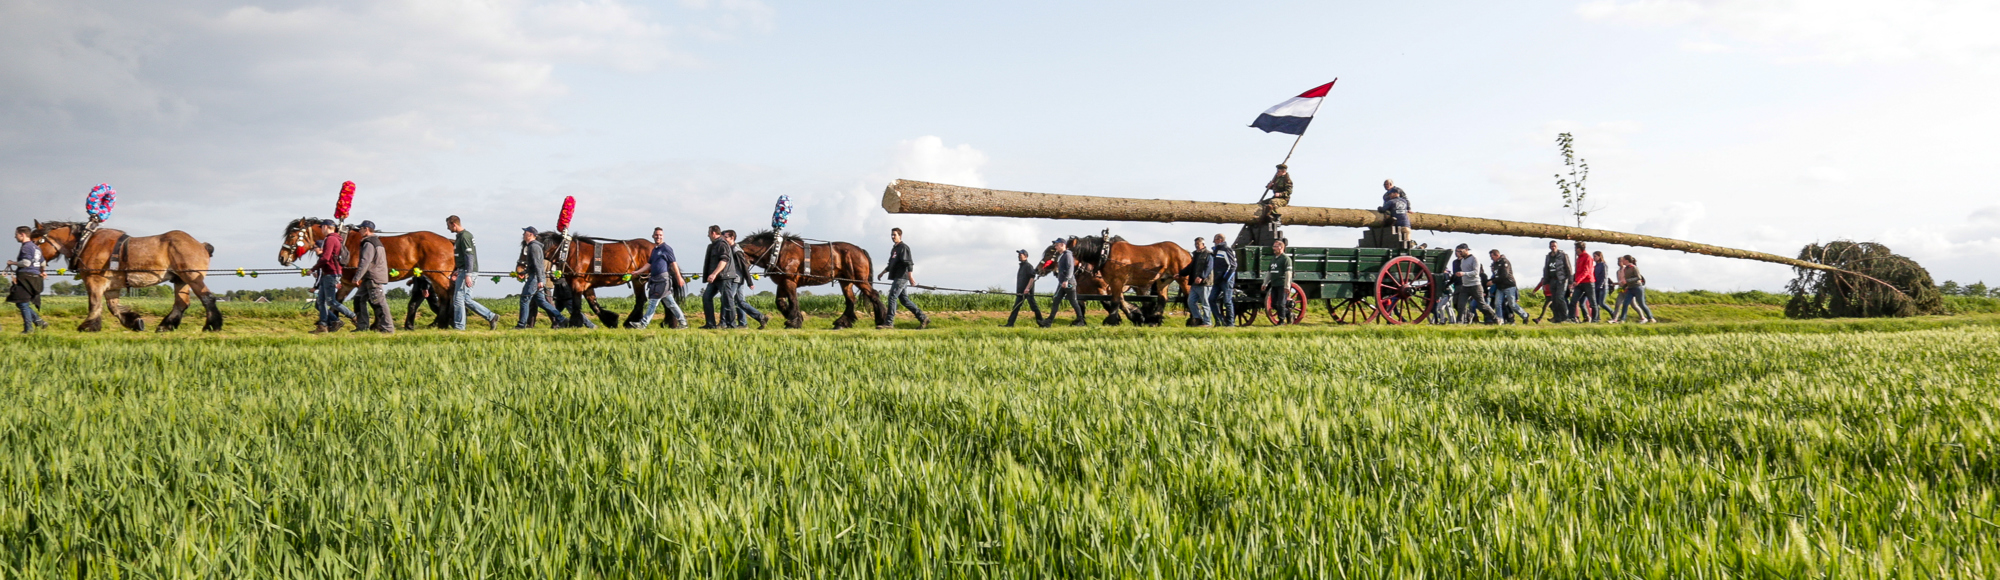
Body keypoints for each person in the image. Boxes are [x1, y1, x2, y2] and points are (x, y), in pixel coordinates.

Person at [446, 215, 499, 330]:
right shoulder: (462, 236)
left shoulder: (465, 236)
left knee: (458, 299)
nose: (448, 228)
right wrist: (457, 270)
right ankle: (491, 316)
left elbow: (469, 256)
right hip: (463, 270)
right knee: (465, 299)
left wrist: (468, 275)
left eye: (448, 225)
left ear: (453, 224)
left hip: (467, 271)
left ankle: (459, 327)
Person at [631, 227, 687, 329]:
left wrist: (679, 277)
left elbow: (673, 263)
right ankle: (683, 323)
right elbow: (649, 264)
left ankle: (643, 324)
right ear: (653, 236)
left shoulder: (666, 248)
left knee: (653, 302)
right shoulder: (655, 250)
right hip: (655, 279)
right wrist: (638, 271)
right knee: (671, 303)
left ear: (663, 236)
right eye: (656, 235)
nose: (658, 237)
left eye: (660, 235)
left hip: (662, 280)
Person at [514, 226, 568, 329]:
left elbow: (538, 265)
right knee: (541, 301)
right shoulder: (533, 246)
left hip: (534, 278)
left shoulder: (533, 247)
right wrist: (524, 272)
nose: (523, 235)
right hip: (535, 277)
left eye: (525, 233)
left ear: (530, 234)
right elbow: (533, 265)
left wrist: (539, 280)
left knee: (524, 299)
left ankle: (521, 325)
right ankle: (561, 319)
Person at [877, 227, 929, 329]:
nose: (892, 237)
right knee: (904, 300)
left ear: (900, 236)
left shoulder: (903, 247)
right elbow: (891, 264)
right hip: (897, 276)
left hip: (902, 277)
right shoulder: (894, 249)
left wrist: (910, 277)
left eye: (894, 235)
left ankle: (889, 323)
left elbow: (909, 262)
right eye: (891, 235)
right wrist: (882, 273)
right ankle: (923, 318)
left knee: (892, 297)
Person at [310, 219, 356, 334]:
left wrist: (313, 269)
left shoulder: (331, 239)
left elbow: (325, 258)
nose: (321, 230)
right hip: (329, 273)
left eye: (322, 227)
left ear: (326, 227)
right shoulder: (335, 239)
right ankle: (323, 326)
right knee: (320, 302)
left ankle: (354, 317)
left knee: (331, 302)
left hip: (331, 273)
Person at [348, 221, 394, 333]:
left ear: (367, 229)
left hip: (373, 276)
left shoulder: (369, 243)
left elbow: (365, 261)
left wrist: (357, 277)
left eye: (361, 229)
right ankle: (362, 326)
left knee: (379, 302)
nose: (359, 231)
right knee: (358, 299)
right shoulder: (375, 241)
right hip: (370, 276)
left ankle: (387, 328)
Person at [7, 226, 48, 334]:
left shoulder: (26, 247)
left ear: (22, 234)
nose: (15, 236)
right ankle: (39, 322)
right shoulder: (36, 248)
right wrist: (42, 271)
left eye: (16, 234)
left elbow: (26, 263)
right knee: (21, 302)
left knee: (22, 303)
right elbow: (43, 263)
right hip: (35, 278)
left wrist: (12, 263)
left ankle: (29, 329)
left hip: (26, 278)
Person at [726, 230, 768, 329]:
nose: (724, 239)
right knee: (740, 301)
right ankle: (754, 319)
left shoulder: (736, 250)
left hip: (736, 278)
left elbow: (744, 267)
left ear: (732, 238)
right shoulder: (732, 249)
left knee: (729, 299)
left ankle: (730, 323)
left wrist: (750, 282)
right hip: (737, 278)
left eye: (726, 237)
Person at [699, 225, 738, 329]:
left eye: (709, 233)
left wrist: (713, 274)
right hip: (716, 278)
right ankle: (710, 324)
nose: (708, 235)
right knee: (706, 297)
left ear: (713, 233)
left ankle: (732, 325)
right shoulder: (714, 245)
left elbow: (724, 260)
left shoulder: (722, 244)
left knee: (727, 300)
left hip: (724, 277)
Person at [1448, 244, 1498, 324]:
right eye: (1457, 251)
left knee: (1482, 306)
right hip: (1465, 286)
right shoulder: (1463, 260)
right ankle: (1459, 323)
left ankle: (1496, 319)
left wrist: (1463, 274)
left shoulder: (1474, 259)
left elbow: (1475, 272)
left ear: (1467, 250)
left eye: (1461, 251)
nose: (1459, 253)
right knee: (1461, 305)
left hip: (1475, 285)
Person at [1044, 238, 1087, 327]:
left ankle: (1081, 320)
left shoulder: (1067, 255)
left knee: (1073, 302)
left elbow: (1070, 268)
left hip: (1068, 283)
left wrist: (1066, 280)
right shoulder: (1063, 255)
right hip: (1062, 283)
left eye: (1057, 245)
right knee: (1056, 301)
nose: (1055, 247)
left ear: (1062, 245)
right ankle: (1048, 322)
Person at [1003, 249, 1043, 327]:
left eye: (1020, 255)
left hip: (1027, 292)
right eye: (1019, 255)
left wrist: (1027, 288)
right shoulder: (1022, 266)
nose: (1019, 256)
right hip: (1020, 292)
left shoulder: (1028, 266)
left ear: (1026, 256)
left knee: (1034, 308)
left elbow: (1032, 278)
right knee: (1016, 308)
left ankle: (1042, 323)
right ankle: (1010, 324)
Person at [1488, 249, 1530, 324]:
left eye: (1492, 257)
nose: (1492, 259)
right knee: (1497, 304)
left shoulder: (1505, 262)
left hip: (1509, 285)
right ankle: (1500, 320)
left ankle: (1525, 315)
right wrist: (1489, 280)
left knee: (1512, 304)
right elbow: (1496, 276)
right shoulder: (1495, 264)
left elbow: (1504, 275)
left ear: (1497, 255)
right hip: (1500, 287)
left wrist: (1493, 281)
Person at [1613, 255, 1656, 323]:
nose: (1621, 261)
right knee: (1625, 303)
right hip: (1629, 288)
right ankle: (1622, 319)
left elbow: (1638, 277)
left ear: (1626, 260)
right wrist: (1623, 286)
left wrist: (1627, 281)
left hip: (1637, 287)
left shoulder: (1634, 267)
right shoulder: (1624, 269)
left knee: (1641, 304)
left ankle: (1650, 318)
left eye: (1623, 260)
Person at [1537, 240, 1572, 323]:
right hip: (1552, 280)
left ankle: (1565, 317)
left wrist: (1570, 281)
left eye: (1555, 246)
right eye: (1552, 246)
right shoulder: (1548, 256)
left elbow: (1569, 268)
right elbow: (1546, 268)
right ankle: (1557, 317)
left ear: (1557, 246)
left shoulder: (1563, 255)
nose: (1553, 247)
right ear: (1550, 247)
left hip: (1561, 280)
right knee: (1554, 299)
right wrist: (1545, 281)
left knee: (1560, 298)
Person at [1210, 234, 1237, 326]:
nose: (1214, 241)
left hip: (1225, 280)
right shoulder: (1215, 251)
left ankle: (1230, 323)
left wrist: (1226, 278)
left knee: (1227, 301)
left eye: (1215, 240)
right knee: (1211, 299)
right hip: (1217, 280)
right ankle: (1219, 320)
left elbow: (1232, 265)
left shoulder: (1226, 250)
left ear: (1220, 240)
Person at [1186, 237, 1214, 327]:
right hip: (1194, 284)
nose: (1196, 246)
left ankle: (1207, 322)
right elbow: (1190, 267)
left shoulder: (1208, 254)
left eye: (1198, 244)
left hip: (1205, 283)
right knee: (1191, 301)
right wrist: (1180, 274)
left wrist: (1202, 277)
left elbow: (1209, 267)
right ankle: (1198, 319)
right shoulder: (1195, 255)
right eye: (1195, 244)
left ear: (1203, 244)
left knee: (1205, 303)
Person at [1265, 238, 1294, 323]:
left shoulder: (1286, 259)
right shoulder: (1274, 259)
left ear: (1281, 247)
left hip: (1282, 284)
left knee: (1281, 303)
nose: (1273, 248)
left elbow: (1288, 273)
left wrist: (1287, 286)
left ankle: (1281, 321)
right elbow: (1269, 272)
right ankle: (1288, 313)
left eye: (1275, 246)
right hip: (1274, 284)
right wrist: (1265, 283)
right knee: (1274, 304)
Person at [1570, 241, 1598, 323]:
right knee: (1573, 301)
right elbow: (1578, 271)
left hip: (1588, 282)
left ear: (1579, 249)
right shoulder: (1579, 258)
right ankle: (1572, 318)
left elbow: (1586, 271)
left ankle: (1595, 319)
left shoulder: (1587, 257)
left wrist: (1577, 281)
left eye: (1576, 248)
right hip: (1580, 282)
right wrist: (1575, 280)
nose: (1575, 250)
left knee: (1592, 302)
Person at [1378, 181, 1412, 248]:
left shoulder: (1391, 202)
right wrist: (1408, 209)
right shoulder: (1404, 201)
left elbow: (1383, 209)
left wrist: (1379, 208)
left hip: (1397, 227)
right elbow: (1407, 202)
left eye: (1391, 194)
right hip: (1407, 226)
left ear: (1395, 194)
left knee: (1398, 246)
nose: (1390, 195)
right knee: (1407, 246)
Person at [1591, 250, 1613, 322]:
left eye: (1595, 256)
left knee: (1602, 303)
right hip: (1596, 286)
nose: (1594, 258)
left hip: (1603, 287)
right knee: (1596, 303)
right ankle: (1597, 318)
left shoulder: (1603, 265)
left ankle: (1613, 314)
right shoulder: (1596, 266)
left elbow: (1604, 276)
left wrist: (1600, 285)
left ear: (1599, 256)